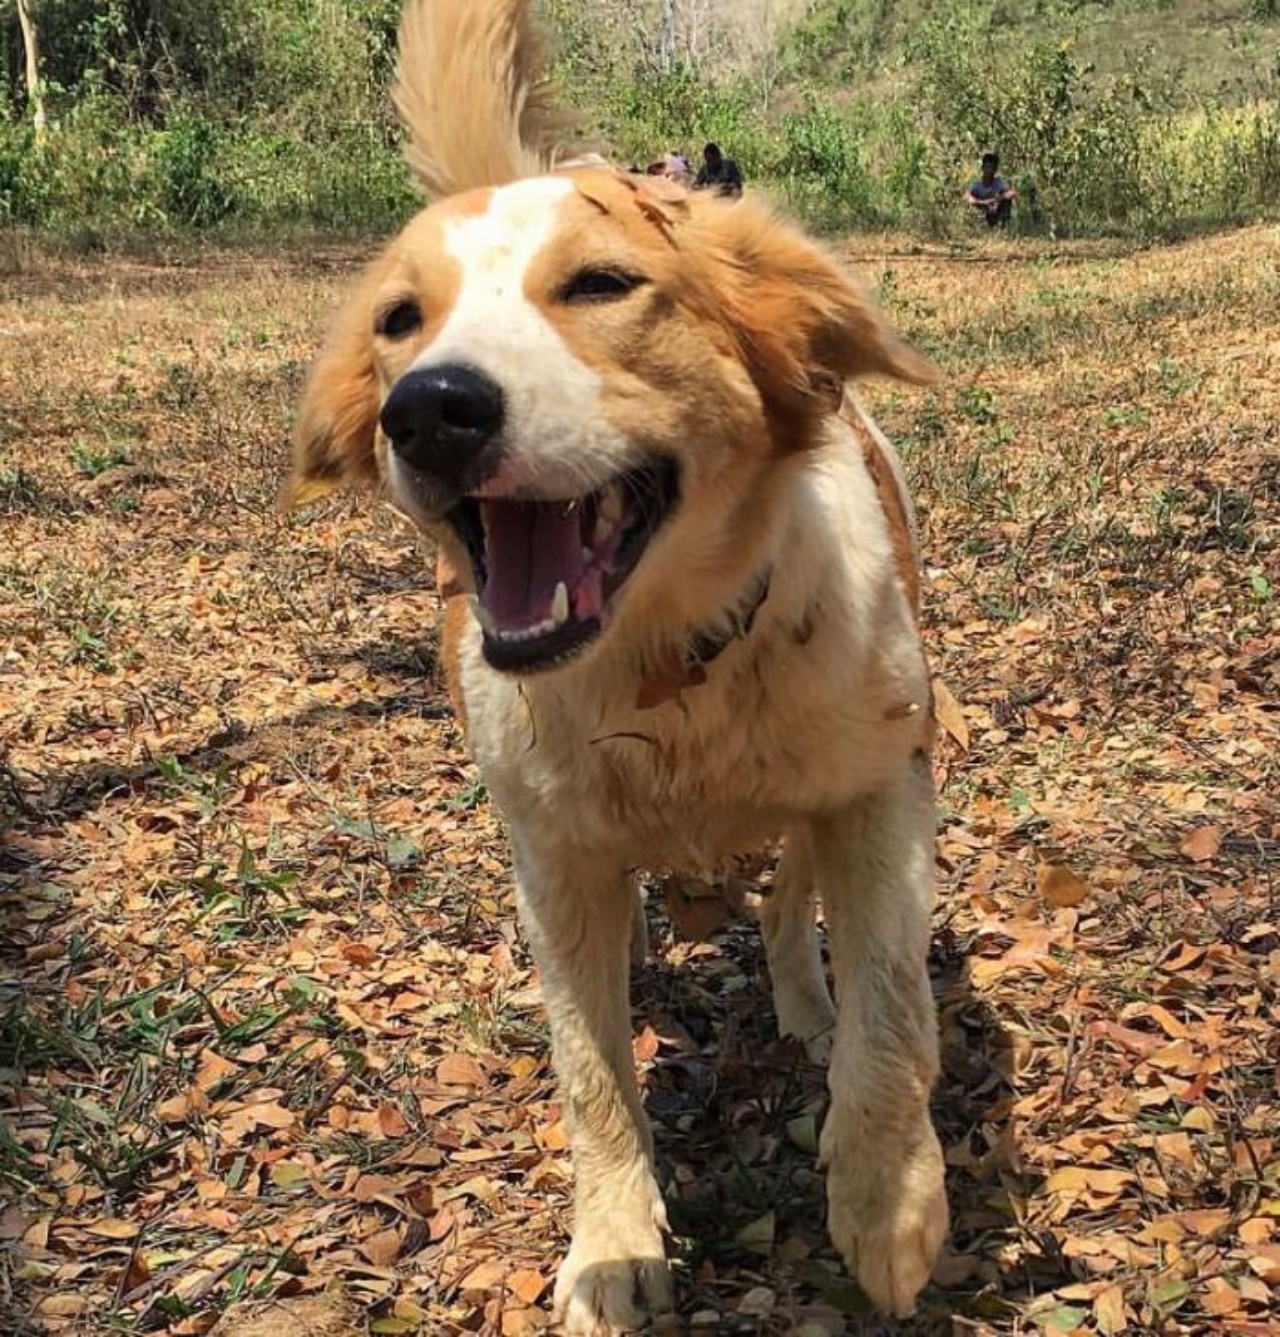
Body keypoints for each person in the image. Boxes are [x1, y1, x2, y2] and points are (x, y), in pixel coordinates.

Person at [965, 152, 1016, 227]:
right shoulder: (976, 185)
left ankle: (1003, 225)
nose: (989, 171)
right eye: (987, 167)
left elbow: (1012, 192)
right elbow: (967, 196)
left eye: (992, 168)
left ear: (995, 170)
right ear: (982, 168)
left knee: (1006, 201)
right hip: (983, 213)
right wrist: (983, 203)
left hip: (997, 213)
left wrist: (998, 199)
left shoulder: (999, 183)